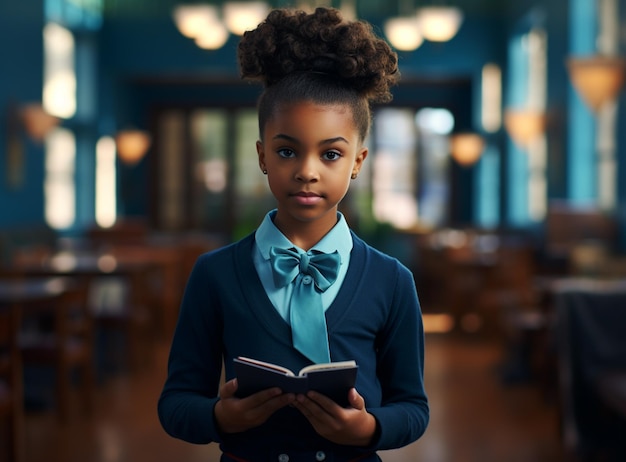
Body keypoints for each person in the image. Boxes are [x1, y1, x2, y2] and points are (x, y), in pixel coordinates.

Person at [158, 6, 429, 461]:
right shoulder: (215, 273)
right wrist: (220, 419)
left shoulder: (392, 280)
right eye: (287, 151)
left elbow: (414, 409)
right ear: (263, 156)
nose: (306, 172)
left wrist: (370, 427)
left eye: (330, 155)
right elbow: (175, 404)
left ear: (358, 162)